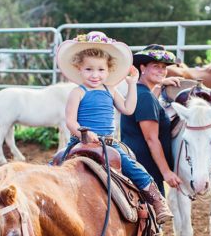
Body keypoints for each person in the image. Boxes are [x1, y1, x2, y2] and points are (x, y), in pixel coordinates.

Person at [54, 32, 173, 224]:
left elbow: (128, 108)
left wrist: (132, 85)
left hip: (108, 142)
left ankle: (158, 201)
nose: (95, 75)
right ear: (79, 69)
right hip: (82, 140)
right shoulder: (77, 92)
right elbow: (70, 121)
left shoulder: (110, 90)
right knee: (57, 167)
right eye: (89, 69)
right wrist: (83, 132)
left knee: (134, 168)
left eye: (101, 70)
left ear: (108, 70)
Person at [121, 43, 183, 236]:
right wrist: (166, 171)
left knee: (145, 218)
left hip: (139, 160)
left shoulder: (142, 93)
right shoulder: (145, 98)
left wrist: (160, 84)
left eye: (164, 67)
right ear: (142, 67)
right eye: (155, 66)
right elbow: (151, 138)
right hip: (144, 163)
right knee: (147, 217)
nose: (161, 70)